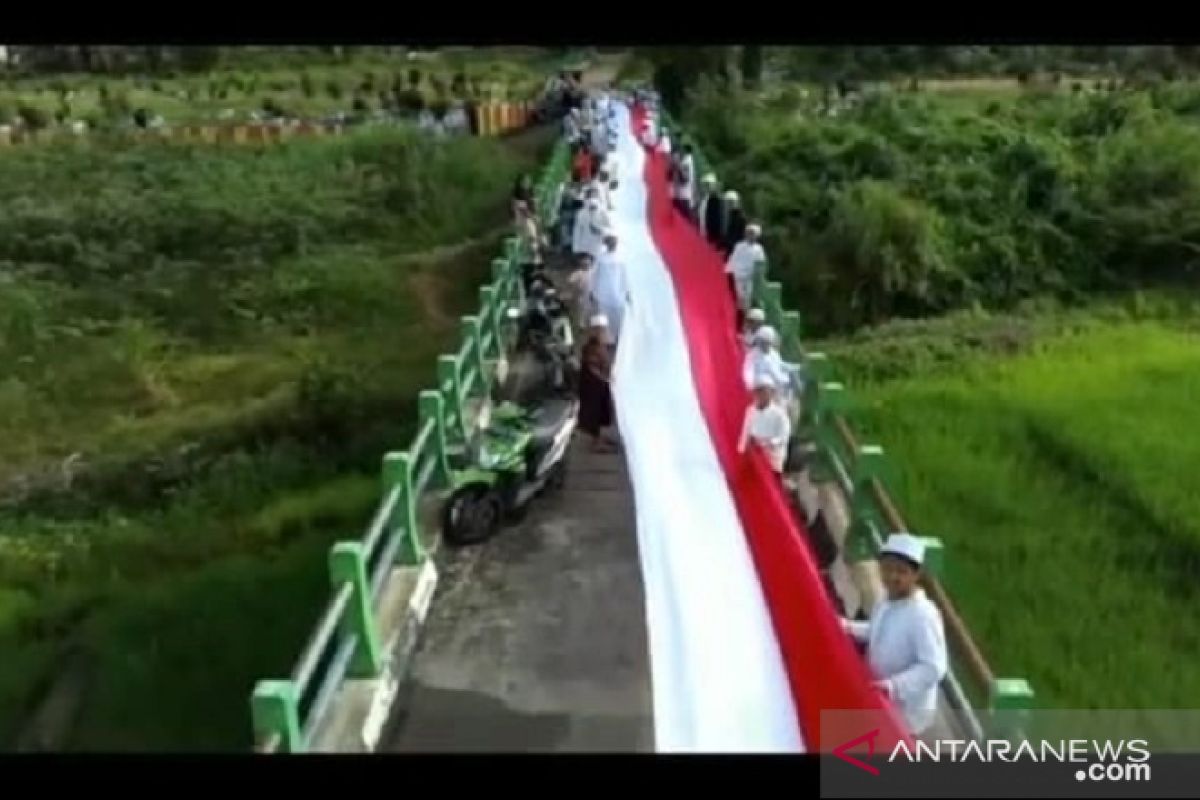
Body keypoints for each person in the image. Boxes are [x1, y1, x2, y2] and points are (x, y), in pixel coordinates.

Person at [841, 533, 949, 737]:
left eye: (901, 571)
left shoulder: (923, 615)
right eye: (888, 569)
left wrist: (894, 686)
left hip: (906, 713)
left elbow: (934, 667)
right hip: (880, 699)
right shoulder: (887, 599)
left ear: (915, 575)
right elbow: (877, 630)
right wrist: (847, 627)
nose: (892, 577)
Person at [738, 374, 791, 481]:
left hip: (772, 457)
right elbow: (746, 431)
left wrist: (769, 443)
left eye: (765, 392)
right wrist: (742, 449)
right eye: (759, 392)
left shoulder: (779, 414)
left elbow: (784, 435)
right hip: (754, 454)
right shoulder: (751, 410)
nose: (761, 396)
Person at [578, 315, 619, 453]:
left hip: (600, 385)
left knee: (602, 412)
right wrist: (603, 378)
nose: (603, 332)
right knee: (593, 414)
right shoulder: (590, 347)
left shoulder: (600, 344)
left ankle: (600, 438)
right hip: (593, 386)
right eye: (600, 330)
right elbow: (592, 367)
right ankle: (596, 442)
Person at [590, 232, 631, 345]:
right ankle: (608, 340)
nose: (612, 244)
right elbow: (594, 275)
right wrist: (592, 291)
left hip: (617, 293)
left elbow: (625, 277)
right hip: (604, 293)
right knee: (605, 317)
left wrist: (627, 292)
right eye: (610, 242)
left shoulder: (621, 258)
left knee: (618, 317)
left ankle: (618, 339)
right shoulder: (601, 258)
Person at [725, 223, 766, 319]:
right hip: (738, 275)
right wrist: (728, 269)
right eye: (749, 233)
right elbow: (733, 258)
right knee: (740, 297)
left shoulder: (758, 248)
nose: (751, 235)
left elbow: (761, 262)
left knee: (747, 299)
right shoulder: (739, 246)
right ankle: (740, 316)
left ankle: (746, 318)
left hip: (749, 277)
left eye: (753, 234)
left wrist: (757, 273)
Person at [698, 173, 726, 246]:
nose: (706, 187)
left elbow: (718, 219)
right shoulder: (703, 199)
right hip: (702, 232)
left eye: (708, 185)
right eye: (705, 185)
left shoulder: (716, 200)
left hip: (711, 235)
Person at [722, 191, 748, 258]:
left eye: (731, 202)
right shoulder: (729, 215)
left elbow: (740, 237)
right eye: (727, 202)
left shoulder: (740, 217)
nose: (728, 204)